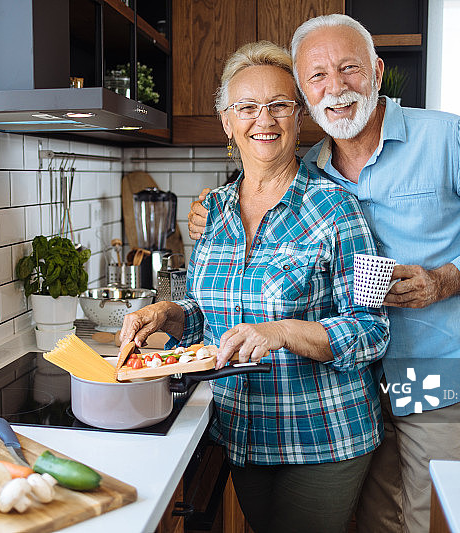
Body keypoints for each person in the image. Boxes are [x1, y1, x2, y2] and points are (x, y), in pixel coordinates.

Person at [187, 14, 460, 533]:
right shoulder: (312, 166)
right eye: (317, 76)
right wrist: (209, 214)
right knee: (379, 523)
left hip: (438, 369)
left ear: (377, 71)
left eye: (349, 69)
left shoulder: (448, 139)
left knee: (434, 521)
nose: (335, 88)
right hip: (357, 383)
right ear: (304, 94)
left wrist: (446, 279)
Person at [120, 41, 389, 533]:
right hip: (241, 433)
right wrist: (168, 314)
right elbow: (206, 313)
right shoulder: (215, 210)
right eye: (246, 107)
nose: (262, 119)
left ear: (298, 116)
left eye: (278, 105)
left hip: (322, 435)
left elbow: (372, 330)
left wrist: (282, 331)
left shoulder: (339, 209)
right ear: (227, 121)